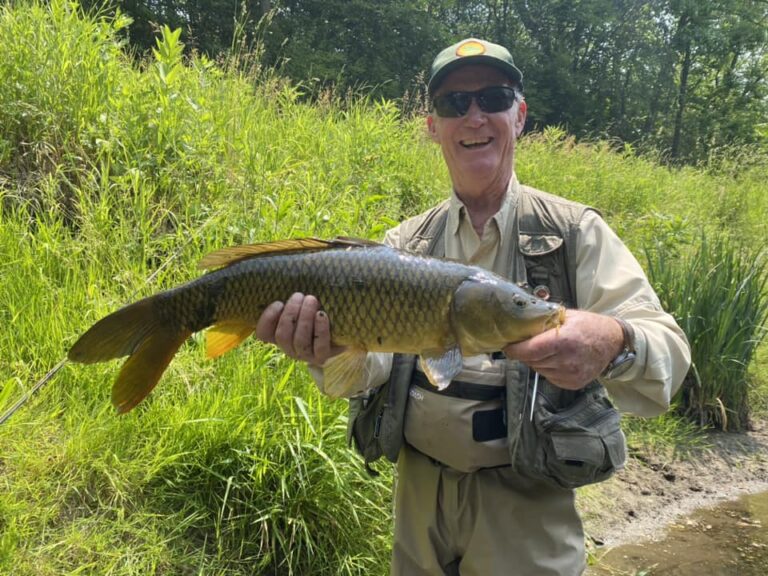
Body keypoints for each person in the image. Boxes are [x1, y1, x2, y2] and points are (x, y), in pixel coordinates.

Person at [255, 38, 691, 576]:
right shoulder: (404, 244)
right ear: (432, 126)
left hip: (526, 507)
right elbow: (367, 371)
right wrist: (323, 352)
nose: (474, 116)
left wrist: (614, 343)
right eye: (454, 104)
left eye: (493, 97)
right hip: (417, 503)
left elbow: (668, 355)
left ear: (520, 115)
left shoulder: (573, 232)